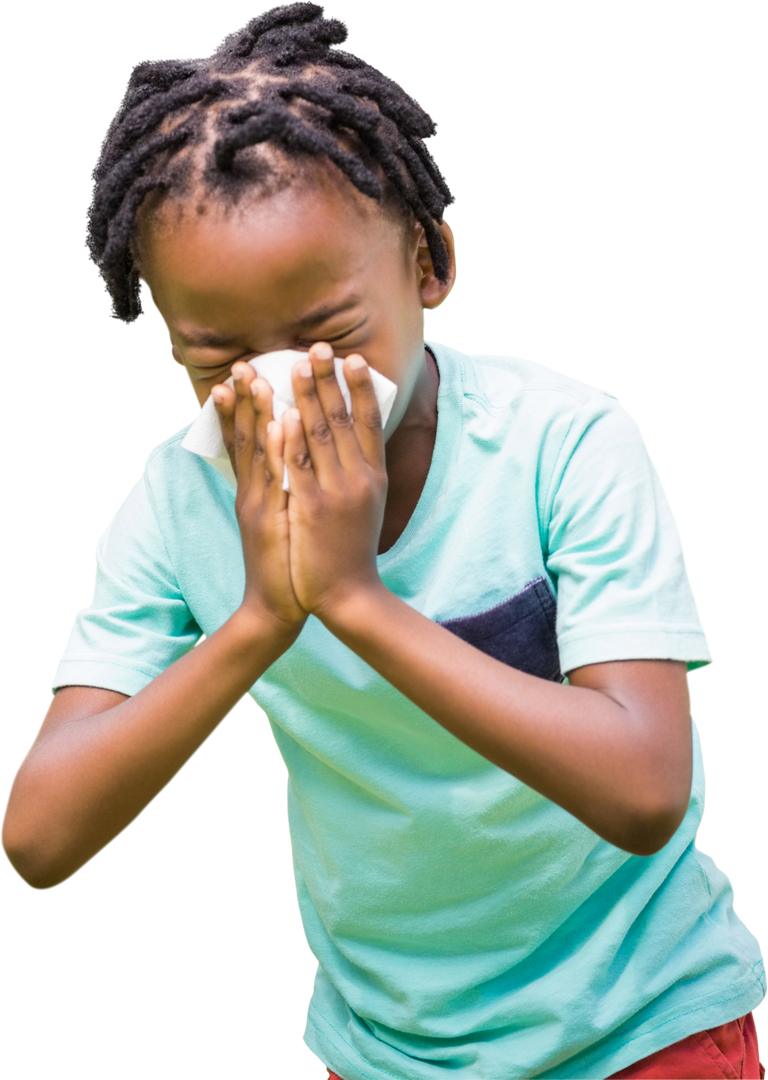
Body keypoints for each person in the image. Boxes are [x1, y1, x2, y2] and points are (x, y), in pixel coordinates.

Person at [1, 4, 765, 1078]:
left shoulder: (562, 439)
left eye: (325, 334)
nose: (279, 388)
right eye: (218, 360)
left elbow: (644, 789)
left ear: (431, 265)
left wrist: (353, 598)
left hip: (644, 1026)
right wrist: (265, 616)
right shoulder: (176, 503)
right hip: (385, 1053)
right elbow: (39, 839)